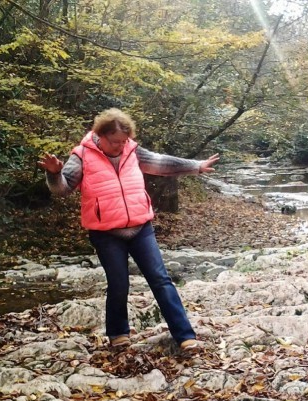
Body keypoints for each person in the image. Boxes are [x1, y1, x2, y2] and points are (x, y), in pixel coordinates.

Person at [38, 108, 220, 351]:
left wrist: (195, 166)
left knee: (161, 279)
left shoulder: (132, 151)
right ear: (99, 135)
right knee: (119, 283)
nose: (119, 146)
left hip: (140, 226)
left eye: (124, 141)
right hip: (105, 232)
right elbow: (62, 189)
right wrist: (54, 173)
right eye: (115, 142)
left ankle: (185, 337)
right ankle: (118, 334)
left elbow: (161, 163)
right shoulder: (82, 156)